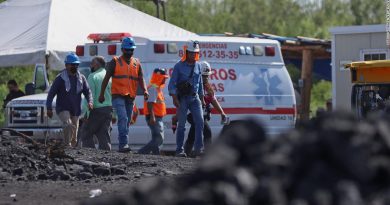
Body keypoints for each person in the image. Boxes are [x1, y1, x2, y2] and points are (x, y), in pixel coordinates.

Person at [99, 37, 148, 153]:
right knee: (123, 118)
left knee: (127, 121)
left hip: (130, 96)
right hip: (118, 95)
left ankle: (123, 144)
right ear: (122, 49)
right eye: (127, 50)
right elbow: (106, 79)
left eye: (131, 50)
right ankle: (123, 144)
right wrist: (101, 94)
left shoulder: (136, 63)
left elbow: (141, 78)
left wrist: (145, 90)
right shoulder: (115, 62)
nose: (129, 52)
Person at [46, 53, 93, 147]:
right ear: (66, 65)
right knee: (68, 124)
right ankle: (67, 145)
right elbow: (51, 94)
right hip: (63, 108)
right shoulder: (60, 78)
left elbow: (88, 92)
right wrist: (49, 108)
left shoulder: (81, 78)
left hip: (75, 109)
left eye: (76, 65)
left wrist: (90, 101)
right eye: (72, 64)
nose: (75, 66)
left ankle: (73, 150)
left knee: (74, 132)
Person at [168, 40, 205, 157]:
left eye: (195, 53)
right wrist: (175, 98)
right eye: (191, 53)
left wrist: (202, 98)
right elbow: (172, 84)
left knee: (200, 122)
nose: (193, 55)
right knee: (182, 125)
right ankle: (179, 150)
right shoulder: (178, 66)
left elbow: (200, 84)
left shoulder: (199, 66)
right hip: (183, 99)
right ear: (186, 52)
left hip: (195, 99)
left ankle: (199, 149)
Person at [184, 61, 227, 156]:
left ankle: (187, 152)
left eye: (207, 75)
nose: (206, 77)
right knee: (207, 131)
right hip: (192, 114)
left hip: (202, 114)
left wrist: (222, 113)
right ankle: (208, 154)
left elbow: (213, 100)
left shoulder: (207, 87)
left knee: (193, 132)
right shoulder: (193, 85)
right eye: (204, 75)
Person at [81, 56, 112, 150]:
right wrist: (115, 114)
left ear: (97, 65)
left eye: (92, 63)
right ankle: (106, 157)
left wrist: (86, 113)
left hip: (96, 110)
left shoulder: (93, 76)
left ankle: (90, 155)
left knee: (86, 133)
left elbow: (90, 96)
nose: (91, 65)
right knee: (104, 135)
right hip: (108, 110)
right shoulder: (109, 77)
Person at [138, 68, 169, 155]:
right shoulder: (153, 88)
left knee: (156, 137)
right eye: (163, 78)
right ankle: (141, 153)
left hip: (157, 116)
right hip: (154, 117)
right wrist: (152, 117)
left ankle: (156, 155)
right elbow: (150, 103)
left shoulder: (157, 88)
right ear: (158, 77)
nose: (164, 80)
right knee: (159, 138)